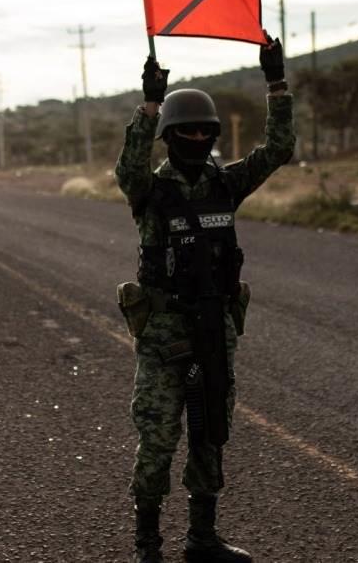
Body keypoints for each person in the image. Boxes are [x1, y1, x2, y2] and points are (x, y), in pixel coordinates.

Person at [115, 34, 294, 563]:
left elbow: (279, 150)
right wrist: (148, 105)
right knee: (158, 441)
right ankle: (148, 546)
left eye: (204, 130)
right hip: (164, 337)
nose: (196, 136)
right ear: (169, 136)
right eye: (186, 130)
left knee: (211, 433)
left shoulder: (226, 184)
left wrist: (276, 83)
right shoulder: (150, 191)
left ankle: (202, 540)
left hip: (215, 330)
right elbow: (127, 170)